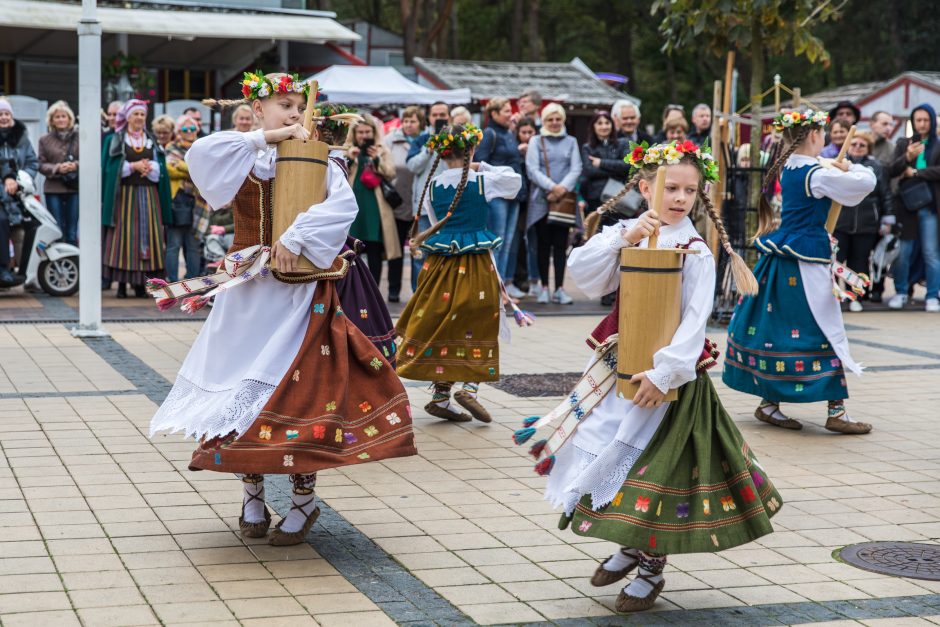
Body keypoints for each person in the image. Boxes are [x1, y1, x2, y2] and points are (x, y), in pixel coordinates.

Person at [148, 71, 415, 546]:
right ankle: (251, 493)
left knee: (295, 396)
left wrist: (294, 237)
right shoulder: (244, 152)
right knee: (236, 393)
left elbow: (342, 208)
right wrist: (263, 137)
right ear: (260, 109)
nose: (294, 113)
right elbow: (201, 157)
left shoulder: (319, 158)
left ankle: (303, 500)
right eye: (285, 105)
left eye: (298, 106)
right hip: (248, 293)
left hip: (298, 294)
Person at [516, 140, 778, 614]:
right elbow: (586, 274)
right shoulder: (627, 232)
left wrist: (664, 374)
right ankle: (631, 546)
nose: (679, 197)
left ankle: (651, 567)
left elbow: (695, 320)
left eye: (689, 190)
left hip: (667, 384)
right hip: (620, 371)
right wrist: (627, 236)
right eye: (669, 187)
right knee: (603, 453)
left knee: (654, 471)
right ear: (643, 187)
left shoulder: (696, 251)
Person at [723, 109, 876, 434]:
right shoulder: (816, 173)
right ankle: (836, 411)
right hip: (805, 262)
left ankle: (769, 404)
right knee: (823, 327)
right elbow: (865, 184)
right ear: (813, 136)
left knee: (776, 326)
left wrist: (836, 167)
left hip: (783, 258)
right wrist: (851, 166)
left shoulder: (793, 166)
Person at [396, 124, 521, 423]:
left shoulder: (433, 185)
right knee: (480, 319)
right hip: (476, 262)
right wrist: (481, 165)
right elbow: (514, 182)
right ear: (472, 151)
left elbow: (435, 220)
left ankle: (441, 395)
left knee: (444, 323)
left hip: (440, 265)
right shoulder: (481, 181)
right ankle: (469, 388)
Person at [101, 99, 172, 298]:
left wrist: (150, 168)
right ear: (127, 117)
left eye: (142, 114)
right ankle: (122, 285)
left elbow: (161, 167)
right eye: (135, 114)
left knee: (148, 236)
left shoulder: (151, 139)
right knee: (124, 237)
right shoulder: (115, 139)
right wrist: (132, 166)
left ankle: (141, 284)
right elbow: (108, 168)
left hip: (149, 196)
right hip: (124, 196)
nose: (139, 118)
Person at [526, 103, 582, 304]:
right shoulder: (535, 141)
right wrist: (551, 187)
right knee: (542, 245)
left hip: (563, 202)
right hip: (542, 200)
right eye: (550, 119)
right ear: (544, 120)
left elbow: (576, 168)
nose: (555, 122)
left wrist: (561, 189)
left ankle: (559, 288)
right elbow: (532, 169)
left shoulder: (571, 141)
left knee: (560, 246)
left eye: (558, 119)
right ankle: (543, 287)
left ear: (563, 120)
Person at [886, 104, 940, 312]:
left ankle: (932, 294)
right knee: (903, 252)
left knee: (931, 252)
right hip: (906, 206)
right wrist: (907, 157)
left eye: (926, 120)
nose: (922, 124)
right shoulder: (903, 143)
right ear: (912, 122)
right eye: (918, 120)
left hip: (930, 206)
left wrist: (917, 173)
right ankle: (900, 292)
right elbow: (891, 170)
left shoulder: (937, 144)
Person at [834, 131, 892, 311]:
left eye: (862, 145)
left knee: (859, 262)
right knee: (835, 261)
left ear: (868, 148)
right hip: (841, 222)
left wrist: (887, 220)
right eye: (854, 144)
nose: (857, 147)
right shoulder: (838, 164)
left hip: (867, 223)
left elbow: (886, 194)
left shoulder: (876, 166)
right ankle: (833, 297)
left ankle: (855, 298)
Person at [475, 97, 524, 280]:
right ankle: (492, 286)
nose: (510, 115)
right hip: (497, 195)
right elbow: (480, 164)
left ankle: (501, 286)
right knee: (497, 241)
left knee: (508, 243)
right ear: (493, 114)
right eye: (506, 111)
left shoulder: (509, 134)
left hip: (514, 194)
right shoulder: (489, 134)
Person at [347, 114, 398, 288]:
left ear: (373, 132)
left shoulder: (382, 149)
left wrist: (376, 159)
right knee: (352, 249)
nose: (364, 136)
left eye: (367, 131)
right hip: (353, 207)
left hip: (376, 207)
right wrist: (350, 159)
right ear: (354, 133)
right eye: (360, 132)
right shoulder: (347, 149)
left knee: (375, 249)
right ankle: (354, 288)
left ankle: (374, 288)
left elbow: (391, 173)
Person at [406, 102, 451, 290]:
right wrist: (429, 150)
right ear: (429, 118)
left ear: (448, 117)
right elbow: (412, 166)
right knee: (420, 253)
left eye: (442, 114)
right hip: (423, 207)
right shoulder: (421, 140)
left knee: (447, 252)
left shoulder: (457, 138)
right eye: (435, 114)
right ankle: (419, 294)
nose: (438, 117)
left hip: (448, 206)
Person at [383, 105, 425, 302]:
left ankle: (419, 291)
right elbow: (384, 167)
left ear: (420, 123)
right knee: (396, 250)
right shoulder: (391, 140)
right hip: (397, 203)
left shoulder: (425, 141)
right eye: (406, 120)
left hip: (418, 203)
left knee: (418, 250)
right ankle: (393, 290)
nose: (408, 124)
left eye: (413, 121)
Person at [0, 98, 38, 287]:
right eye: (0, 114)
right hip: (1, 198)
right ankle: (4, 270)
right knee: (2, 224)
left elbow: (32, 163)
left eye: (7, 114)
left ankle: (28, 275)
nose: (4, 117)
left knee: (23, 234)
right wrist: (5, 185)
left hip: (20, 198)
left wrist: (22, 180)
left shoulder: (22, 138)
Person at [163, 115, 205, 282]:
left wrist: (181, 166)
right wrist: (192, 170)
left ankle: (192, 281)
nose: (189, 132)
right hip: (177, 202)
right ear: (178, 132)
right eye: (185, 129)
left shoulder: (201, 147)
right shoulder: (171, 146)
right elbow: (169, 169)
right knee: (173, 245)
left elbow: (205, 169)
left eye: (192, 129)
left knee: (193, 246)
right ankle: (172, 281)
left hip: (198, 202)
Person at [38, 100, 80, 246]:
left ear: (69, 118)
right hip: (53, 188)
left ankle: (74, 262)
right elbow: (40, 164)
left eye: (64, 116)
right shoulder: (44, 140)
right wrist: (57, 168)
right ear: (52, 120)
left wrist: (75, 165)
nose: (61, 119)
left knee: (72, 231)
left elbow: (89, 158)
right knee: (56, 230)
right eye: (57, 117)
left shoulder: (79, 137)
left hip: (74, 188)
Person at [509, 118, 539, 298]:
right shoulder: (514, 150)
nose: (527, 136)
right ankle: (516, 278)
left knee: (534, 241)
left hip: (536, 201)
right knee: (516, 240)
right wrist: (520, 156)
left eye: (530, 132)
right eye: (524, 132)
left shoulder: (540, 147)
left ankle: (534, 280)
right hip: (519, 200)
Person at [579, 111, 629, 215]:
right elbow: (590, 171)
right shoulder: (587, 148)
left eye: (607, 122)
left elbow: (626, 165)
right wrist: (617, 170)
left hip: (619, 196)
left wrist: (601, 163)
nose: (604, 126)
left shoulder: (623, 143)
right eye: (600, 123)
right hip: (596, 198)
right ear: (593, 126)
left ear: (612, 124)